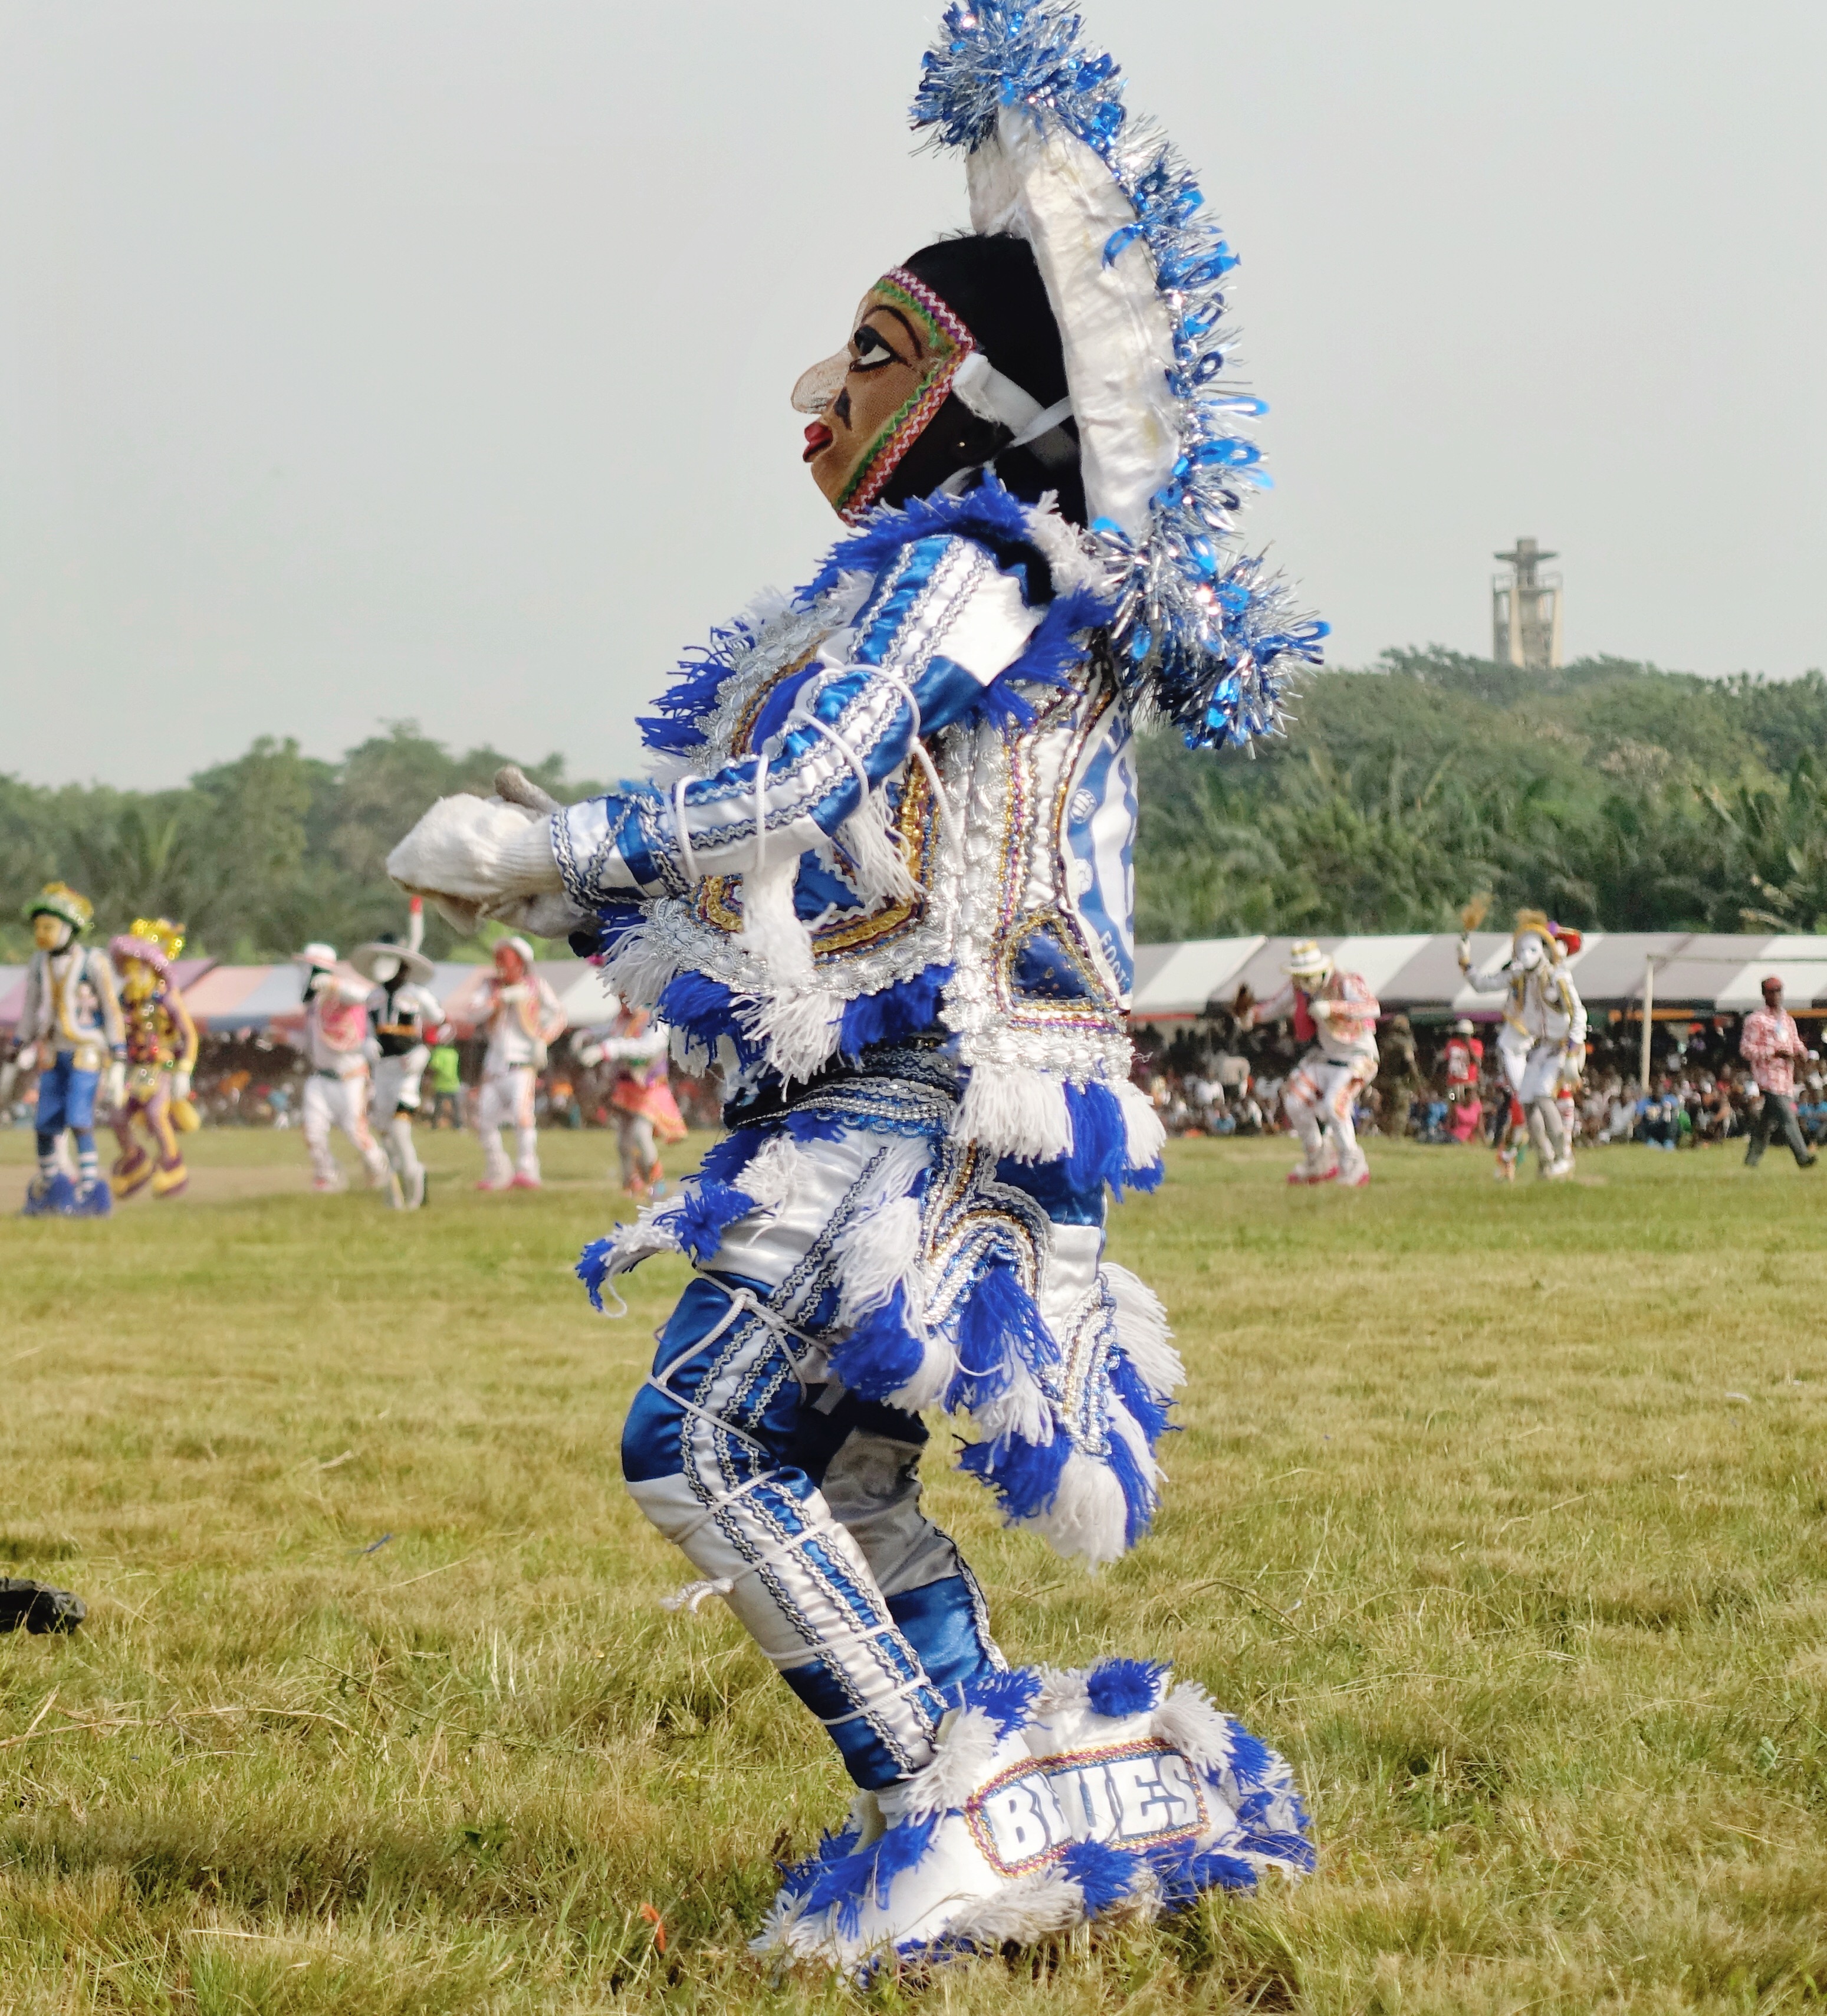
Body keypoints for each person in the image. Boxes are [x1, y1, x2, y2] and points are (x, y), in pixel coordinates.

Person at [385, 0, 1316, 1965]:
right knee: (834, 1458)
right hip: (975, 1086)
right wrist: (605, 901)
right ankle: (1009, 1758)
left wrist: (549, 843)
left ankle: (938, 1806)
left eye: (873, 354)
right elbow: (839, 858)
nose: (820, 395)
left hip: (913, 1095)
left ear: (970, 391)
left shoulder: (956, 561)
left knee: (700, 1438)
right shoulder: (1043, 587)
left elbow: (797, 787)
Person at [14, 883, 125, 1217]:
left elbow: (111, 1008)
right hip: (51, 1051)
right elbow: (31, 1009)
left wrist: (119, 1056)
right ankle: (52, 1186)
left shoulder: (94, 962)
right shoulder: (38, 964)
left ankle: (89, 1188)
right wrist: (18, 1044)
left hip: (85, 1051)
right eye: (38, 927)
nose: (42, 934)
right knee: (45, 1123)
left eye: (49, 927)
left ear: (70, 928)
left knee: (79, 1119)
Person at [1235, 942, 1380, 1187]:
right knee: (1295, 1100)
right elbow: (1274, 1007)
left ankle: (1352, 1164)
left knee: (1336, 1105)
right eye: (1299, 977)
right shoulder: (1299, 988)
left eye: (1308, 977)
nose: (1304, 983)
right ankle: (1318, 1159)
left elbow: (1372, 1007)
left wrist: (1333, 1008)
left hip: (1358, 1055)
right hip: (1325, 1056)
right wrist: (1250, 1017)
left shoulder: (1344, 981)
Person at [1457, 911, 1586, 1180]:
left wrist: (1573, 1052)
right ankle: (1546, 1160)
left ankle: (1563, 1155)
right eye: (1522, 949)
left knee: (1544, 1096)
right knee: (1527, 1102)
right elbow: (1484, 984)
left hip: (1562, 1046)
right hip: (1538, 1046)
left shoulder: (1557, 977)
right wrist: (1466, 962)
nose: (1526, 955)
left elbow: (1578, 1014)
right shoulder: (1518, 974)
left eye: (1533, 948)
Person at [351, 901, 444, 1210]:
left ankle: (416, 1188)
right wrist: (367, 1044)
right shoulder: (373, 997)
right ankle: (394, 1194)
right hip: (383, 1070)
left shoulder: (418, 995)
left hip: (408, 1068)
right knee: (386, 1133)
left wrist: (425, 1052)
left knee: (401, 1131)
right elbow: (368, 1030)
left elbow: (443, 1027)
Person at [108, 918, 200, 1200]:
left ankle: (173, 1164)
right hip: (136, 1069)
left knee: (155, 1114)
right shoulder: (124, 1000)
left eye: (136, 965)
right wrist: (113, 1067)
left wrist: (185, 1069)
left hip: (164, 1065)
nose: (130, 972)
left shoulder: (166, 997)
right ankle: (135, 1160)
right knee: (117, 1117)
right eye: (126, 966)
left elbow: (190, 1036)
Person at [295, 943, 397, 1199]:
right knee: (313, 1131)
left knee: (355, 1131)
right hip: (320, 1078)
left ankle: (378, 1169)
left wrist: (334, 985)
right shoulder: (315, 1006)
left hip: (350, 1078)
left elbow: (366, 996)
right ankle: (327, 1175)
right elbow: (312, 1041)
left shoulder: (341, 993)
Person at [472, 937, 566, 1191]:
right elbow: (474, 1012)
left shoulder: (536, 986)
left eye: (507, 960)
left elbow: (559, 1014)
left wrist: (544, 1037)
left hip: (522, 1064)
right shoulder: (490, 987)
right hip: (494, 1065)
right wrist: (496, 1001)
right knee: (484, 1120)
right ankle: (497, 1169)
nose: (501, 966)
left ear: (521, 962)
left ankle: (527, 1170)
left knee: (522, 1117)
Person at [573, 999, 686, 1199]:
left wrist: (607, 1049)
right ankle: (630, 1184)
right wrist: (587, 1034)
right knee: (623, 1140)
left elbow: (647, 1048)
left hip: (649, 1088)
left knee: (640, 1135)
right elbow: (608, 1030)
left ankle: (656, 1184)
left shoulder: (656, 1020)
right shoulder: (622, 1020)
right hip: (627, 1087)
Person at [1740, 977, 1816, 1170]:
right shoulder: (1756, 1020)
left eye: (1779, 991)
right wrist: (1772, 1053)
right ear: (1765, 994)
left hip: (1785, 1078)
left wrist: (1802, 1053)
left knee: (1766, 1123)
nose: (1776, 996)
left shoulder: (1787, 1020)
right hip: (1767, 1078)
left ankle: (1751, 1160)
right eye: (1772, 992)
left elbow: (1795, 1043)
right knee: (1787, 1116)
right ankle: (1803, 1156)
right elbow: (1746, 1050)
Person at [1376, 1011, 1422, 1139]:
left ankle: (1385, 1134)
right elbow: (1411, 1064)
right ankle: (1396, 1136)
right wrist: (1418, 1083)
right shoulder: (1404, 1044)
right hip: (1398, 1082)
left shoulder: (1384, 1042)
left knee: (1386, 1108)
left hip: (1382, 1080)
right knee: (1401, 1109)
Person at [1442, 1018, 1485, 1144]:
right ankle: (1452, 1134)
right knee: (1452, 1107)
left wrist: (1468, 1046)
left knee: (1475, 1109)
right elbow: (1447, 1062)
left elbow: (1477, 1062)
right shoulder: (1451, 1044)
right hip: (1453, 1085)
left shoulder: (1477, 1045)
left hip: (1469, 1084)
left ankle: (1477, 1137)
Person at [426, 1037, 464, 1128]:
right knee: (456, 1108)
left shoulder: (439, 1052)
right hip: (454, 1083)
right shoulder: (454, 1053)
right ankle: (458, 1126)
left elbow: (434, 1067)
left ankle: (434, 1125)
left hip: (441, 1084)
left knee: (438, 1108)